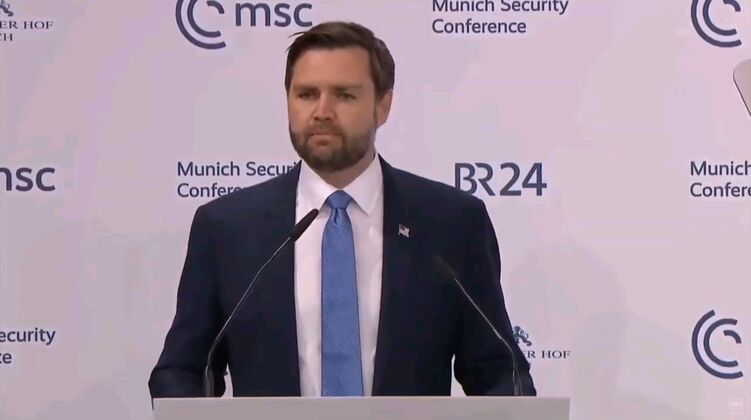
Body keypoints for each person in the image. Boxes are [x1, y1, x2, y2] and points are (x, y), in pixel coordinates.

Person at [149, 21, 535, 398]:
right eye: (306, 94)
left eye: (344, 95)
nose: (322, 111)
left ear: (383, 105)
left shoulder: (451, 223)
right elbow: (182, 371)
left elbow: (499, 372)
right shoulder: (227, 227)